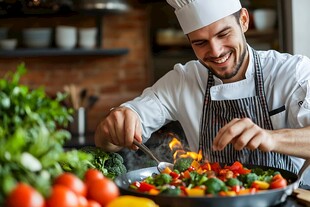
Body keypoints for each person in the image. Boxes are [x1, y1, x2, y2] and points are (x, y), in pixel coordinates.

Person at [95, 0, 310, 184]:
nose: (216, 51)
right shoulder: (182, 80)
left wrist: (270, 138)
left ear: (243, 21)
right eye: (200, 42)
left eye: (223, 34)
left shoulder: (291, 72)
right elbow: (107, 139)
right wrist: (114, 125)